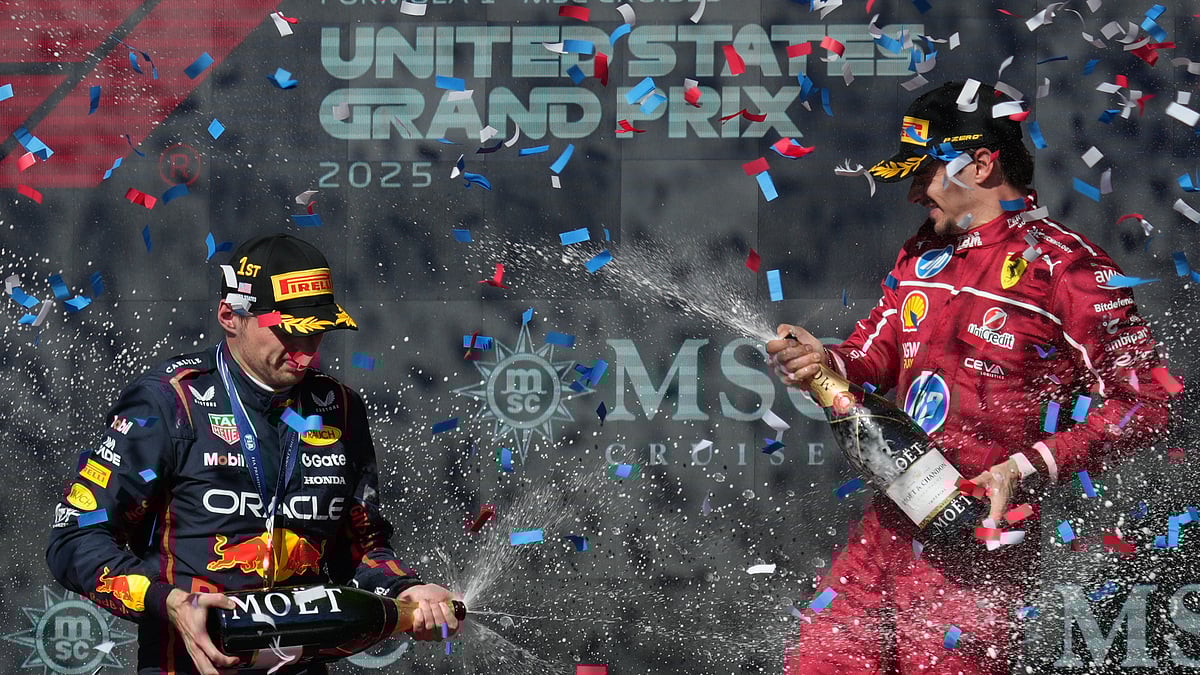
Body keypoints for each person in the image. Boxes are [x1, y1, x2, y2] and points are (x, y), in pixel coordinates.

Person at [766, 81, 1172, 673]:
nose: (912, 193)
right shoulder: (921, 253)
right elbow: (869, 355)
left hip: (975, 547)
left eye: (924, 172)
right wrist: (822, 362)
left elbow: (1149, 402)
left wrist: (1022, 468)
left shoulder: (1068, 266)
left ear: (980, 165)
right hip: (888, 522)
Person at [47, 234, 461, 674]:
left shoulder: (340, 408)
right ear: (230, 316)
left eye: (318, 332)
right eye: (290, 333)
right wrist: (169, 601)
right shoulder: (169, 403)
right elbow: (74, 538)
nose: (306, 354)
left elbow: (360, 547)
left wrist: (405, 587)